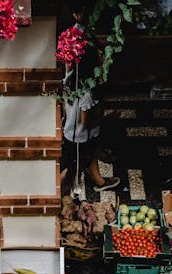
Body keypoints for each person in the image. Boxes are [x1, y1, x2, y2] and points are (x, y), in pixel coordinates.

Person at [60, 4, 120, 194]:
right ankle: (58, 195)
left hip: (69, 132)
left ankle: (99, 181)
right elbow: (86, 123)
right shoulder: (85, 93)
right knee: (71, 170)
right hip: (81, 137)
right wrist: (108, 118)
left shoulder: (68, 81)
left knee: (86, 158)